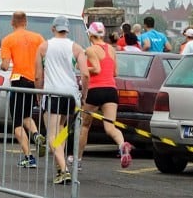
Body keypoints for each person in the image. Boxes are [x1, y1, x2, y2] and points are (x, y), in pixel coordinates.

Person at [35, 15, 88, 185]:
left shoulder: (44, 47)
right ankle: (60, 167)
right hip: (71, 94)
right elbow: (85, 74)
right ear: (67, 30)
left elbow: (38, 76)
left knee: (51, 134)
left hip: (53, 93)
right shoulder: (76, 48)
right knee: (62, 129)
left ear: (53, 29)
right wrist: (84, 94)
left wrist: (38, 94)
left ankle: (64, 169)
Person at [77, 22, 133, 170]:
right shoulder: (111, 49)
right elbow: (115, 73)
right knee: (110, 127)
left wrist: (81, 67)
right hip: (111, 90)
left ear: (90, 34)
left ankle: (78, 160)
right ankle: (122, 145)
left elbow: (96, 68)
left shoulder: (90, 50)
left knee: (84, 126)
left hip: (95, 90)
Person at [0, 11, 46, 168]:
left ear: (12, 23)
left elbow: (5, 65)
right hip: (33, 82)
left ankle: (28, 157)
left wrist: (1, 65)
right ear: (26, 22)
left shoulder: (8, 40)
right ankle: (36, 134)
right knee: (27, 114)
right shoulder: (38, 38)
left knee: (17, 123)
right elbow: (44, 61)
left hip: (18, 81)